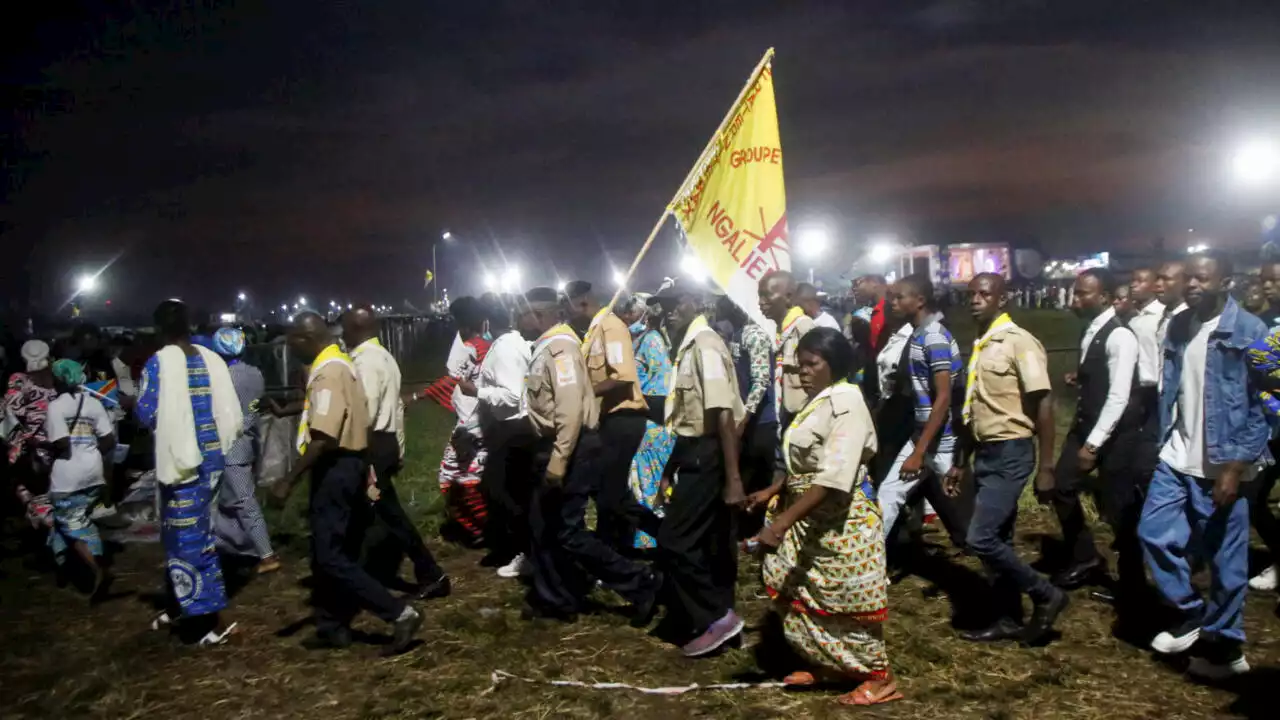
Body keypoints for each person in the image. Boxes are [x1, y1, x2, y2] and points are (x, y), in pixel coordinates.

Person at [746, 328, 900, 706]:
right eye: (799, 366)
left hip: (840, 521)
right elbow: (806, 462)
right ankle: (830, 664)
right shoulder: (818, 401)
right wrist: (773, 490)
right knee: (798, 587)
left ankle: (877, 677)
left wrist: (780, 524)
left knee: (843, 601)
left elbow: (833, 479)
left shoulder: (846, 403)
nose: (803, 373)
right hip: (809, 517)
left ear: (836, 364)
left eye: (813, 365)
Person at [1139, 253, 1270, 678]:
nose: (1192, 284)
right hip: (1177, 455)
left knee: (1227, 565)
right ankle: (1193, 614)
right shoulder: (1179, 325)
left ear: (1226, 280)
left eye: (1202, 277)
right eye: (1189, 277)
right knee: (1153, 533)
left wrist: (1235, 465)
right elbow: (1173, 392)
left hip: (1224, 463)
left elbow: (1267, 402)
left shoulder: (1252, 331)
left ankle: (1225, 647)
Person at [271, 311, 422, 654]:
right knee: (334, 551)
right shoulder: (342, 362)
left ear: (306, 339)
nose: (289, 347)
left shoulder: (329, 371)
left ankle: (399, 612)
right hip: (351, 464)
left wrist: (288, 481)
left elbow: (323, 437)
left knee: (330, 555)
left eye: (292, 340)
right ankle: (331, 625)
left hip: (336, 467)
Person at [518, 287, 662, 623]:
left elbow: (569, 410)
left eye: (521, 313)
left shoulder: (561, 349)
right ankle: (558, 597)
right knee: (545, 526)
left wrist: (558, 461)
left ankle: (640, 581)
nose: (517, 320)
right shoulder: (552, 346)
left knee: (570, 530)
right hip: (565, 445)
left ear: (539, 315)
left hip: (571, 446)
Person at [947, 273, 1068, 645]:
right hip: (985, 451)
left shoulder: (1019, 342)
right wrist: (960, 460)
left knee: (980, 538)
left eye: (985, 293)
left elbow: (1043, 404)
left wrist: (1046, 467)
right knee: (998, 538)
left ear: (1003, 299)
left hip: (1012, 450)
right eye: (971, 294)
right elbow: (973, 411)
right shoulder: (982, 344)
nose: (976, 300)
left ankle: (1047, 594)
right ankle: (1008, 617)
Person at [135, 300, 242, 646]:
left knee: (188, 543)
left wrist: (126, 404)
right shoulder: (210, 358)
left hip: (183, 465)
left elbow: (146, 414)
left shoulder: (159, 364)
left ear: (158, 329)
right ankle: (180, 605)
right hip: (211, 460)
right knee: (187, 536)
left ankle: (211, 622)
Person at [655, 285, 747, 656]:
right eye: (664, 307)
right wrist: (668, 468)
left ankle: (717, 615)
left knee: (673, 540)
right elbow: (689, 417)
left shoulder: (705, 345)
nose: (669, 313)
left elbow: (722, 414)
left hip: (709, 454)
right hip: (695, 450)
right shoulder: (690, 345)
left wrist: (733, 478)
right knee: (710, 542)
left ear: (693, 303)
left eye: (675, 305)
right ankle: (717, 619)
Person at [343, 307, 450, 600]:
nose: (341, 334)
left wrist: (361, 456)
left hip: (371, 446)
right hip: (384, 443)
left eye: (344, 327)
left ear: (355, 328)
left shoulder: (365, 362)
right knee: (375, 513)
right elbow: (395, 409)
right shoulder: (385, 357)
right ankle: (356, 573)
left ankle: (430, 572)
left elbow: (365, 411)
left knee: (385, 514)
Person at [1048, 269, 1143, 594]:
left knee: (1119, 512)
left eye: (1082, 293)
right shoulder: (1093, 329)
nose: (1075, 299)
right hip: (1087, 425)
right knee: (1061, 486)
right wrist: (1083, 377)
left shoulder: (1120, 336)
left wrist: (1093, 445)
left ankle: (1133, 585)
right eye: (1075, 293)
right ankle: (1085, 557)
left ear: (1104, 297)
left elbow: (1119, 396)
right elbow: (1102, 376)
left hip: (1114, 437)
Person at [564, 281, 660, 551]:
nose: (564, 312)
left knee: (610, 495)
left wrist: (584, 392)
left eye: (566, 305)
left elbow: (623, 375)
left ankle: (659, 538)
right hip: (608, 421)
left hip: (624, 420)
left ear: (582, 302)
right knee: (608, 491)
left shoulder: (611, 326)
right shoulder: (593, 330)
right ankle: (624, 546)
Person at [877, 274, 971, 551]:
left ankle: (1001, 573)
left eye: (899, 297)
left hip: (941, 443)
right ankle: (868, 566)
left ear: (919, 300)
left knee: (966, 512)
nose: (892, 303)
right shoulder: (917, 334)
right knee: (889, 493)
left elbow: (942, 398)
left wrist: (919, 452)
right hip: (923, 437)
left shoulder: (934, 337)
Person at [462, 295, 536, 578]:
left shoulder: (505, 350)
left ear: (487, 321)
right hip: (513, 430)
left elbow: (511, 395)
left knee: (502, 492)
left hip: (513, 430)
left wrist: (476, 391)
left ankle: (525, 550)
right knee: (512, 492)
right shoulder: (513, 344)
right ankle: (523, 548)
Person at [208, 327, 279, 573]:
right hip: (247, 441)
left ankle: (266, 554)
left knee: (243, 502)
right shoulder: (254, 374)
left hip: (227, 445)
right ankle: (235, 548)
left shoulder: (219, 378)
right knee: (231, 501)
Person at [45, 358, 116, 598]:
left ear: (59, 380)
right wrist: (91, 452)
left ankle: (96, 568)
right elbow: (109, 440)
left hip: (68, 477)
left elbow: (61, 442)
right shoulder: (94, 404)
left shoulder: (55, 406)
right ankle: (64, 569)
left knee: (74, 525)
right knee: (68, 521)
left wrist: (47, 447)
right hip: (93, 473)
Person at [716, 294, 776, 539]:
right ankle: (745, 529)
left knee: (760, 475)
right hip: (746, 419)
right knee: (747, 474)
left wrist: (746, 417)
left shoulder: (755, 335)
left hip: (762, 421)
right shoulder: (737, 335)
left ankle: (759, 530)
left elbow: (761, 380)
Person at [621, 294, 676, 549]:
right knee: (639, 484)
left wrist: (647, 420)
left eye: (631, 313)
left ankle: (656, 540)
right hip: (641, 422)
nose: (627, 318)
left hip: (652, 425)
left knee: (649, 484)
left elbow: (660, 388)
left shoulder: (652, 341)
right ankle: (645, 539)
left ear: (644, 314)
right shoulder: (638, 340)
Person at [437, 296, 491, 547]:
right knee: (468, 479)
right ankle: (482, 528)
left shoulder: (471, 347)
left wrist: (414, 396)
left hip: (472, 424)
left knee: (452, 479)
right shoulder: (488, 344)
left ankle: (482, 528)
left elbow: (451, 381)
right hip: (481, 421)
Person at [5, 340, 58, 531]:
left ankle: (43, 523)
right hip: (40, 443)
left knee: (40, 487)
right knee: (37, 485)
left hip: (44, 443)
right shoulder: (24, 380)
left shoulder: (22, 380)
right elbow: (13, 413)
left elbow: (14, 410)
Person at [759, 270, 815, 435]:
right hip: (785, 420)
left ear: (789, 297)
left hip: (804, 422)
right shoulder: (780, 331)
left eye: (767, 296)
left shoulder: (804, 329)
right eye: (759, 296)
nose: (761, 302)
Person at [1155, 260, 1189, 349]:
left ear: (1185, 282)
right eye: (1157, 278)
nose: (1158, 284)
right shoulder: (1164, 316)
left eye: (1166, 279)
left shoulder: (1190, 322)